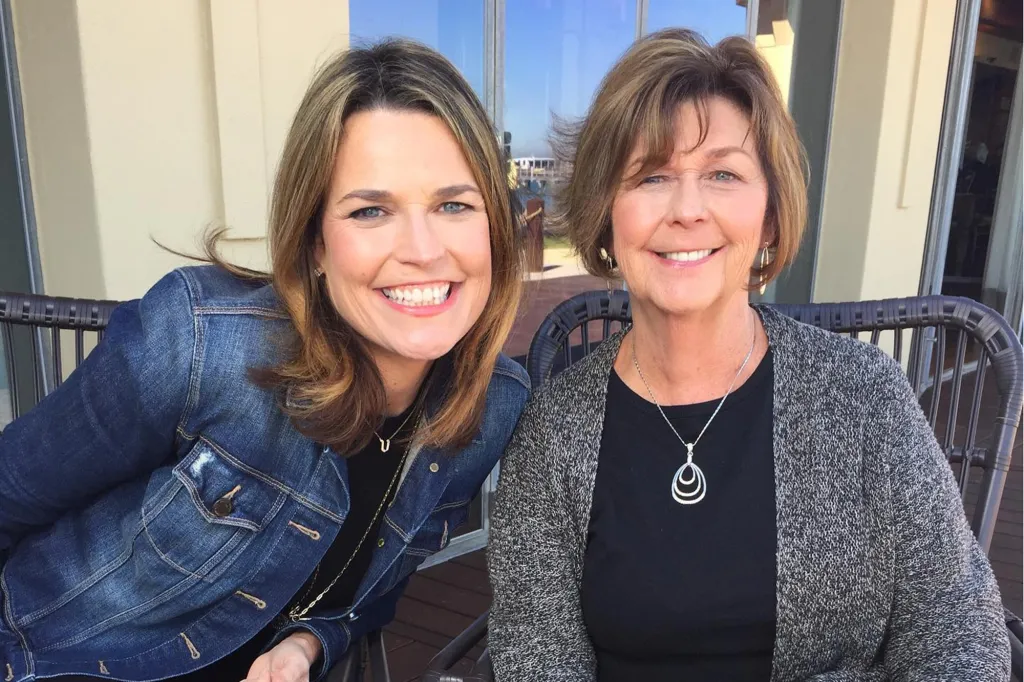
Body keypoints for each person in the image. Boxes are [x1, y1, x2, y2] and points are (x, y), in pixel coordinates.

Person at [487, 28, 1010, 681]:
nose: (686, 209)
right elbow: (531, 648)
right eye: (651, 176)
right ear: (604, 214)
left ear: (767, 215)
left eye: (722, 175)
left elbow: (958, 629)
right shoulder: (553, 431)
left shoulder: (863, 396)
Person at [0, 38, 530, 682]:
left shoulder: (491, 403)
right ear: (314, 244)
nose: (421, 249)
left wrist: (307, 643)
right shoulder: (200, 343)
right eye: (370, 210)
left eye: (453, 204)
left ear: (493, 230)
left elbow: (376, 583)